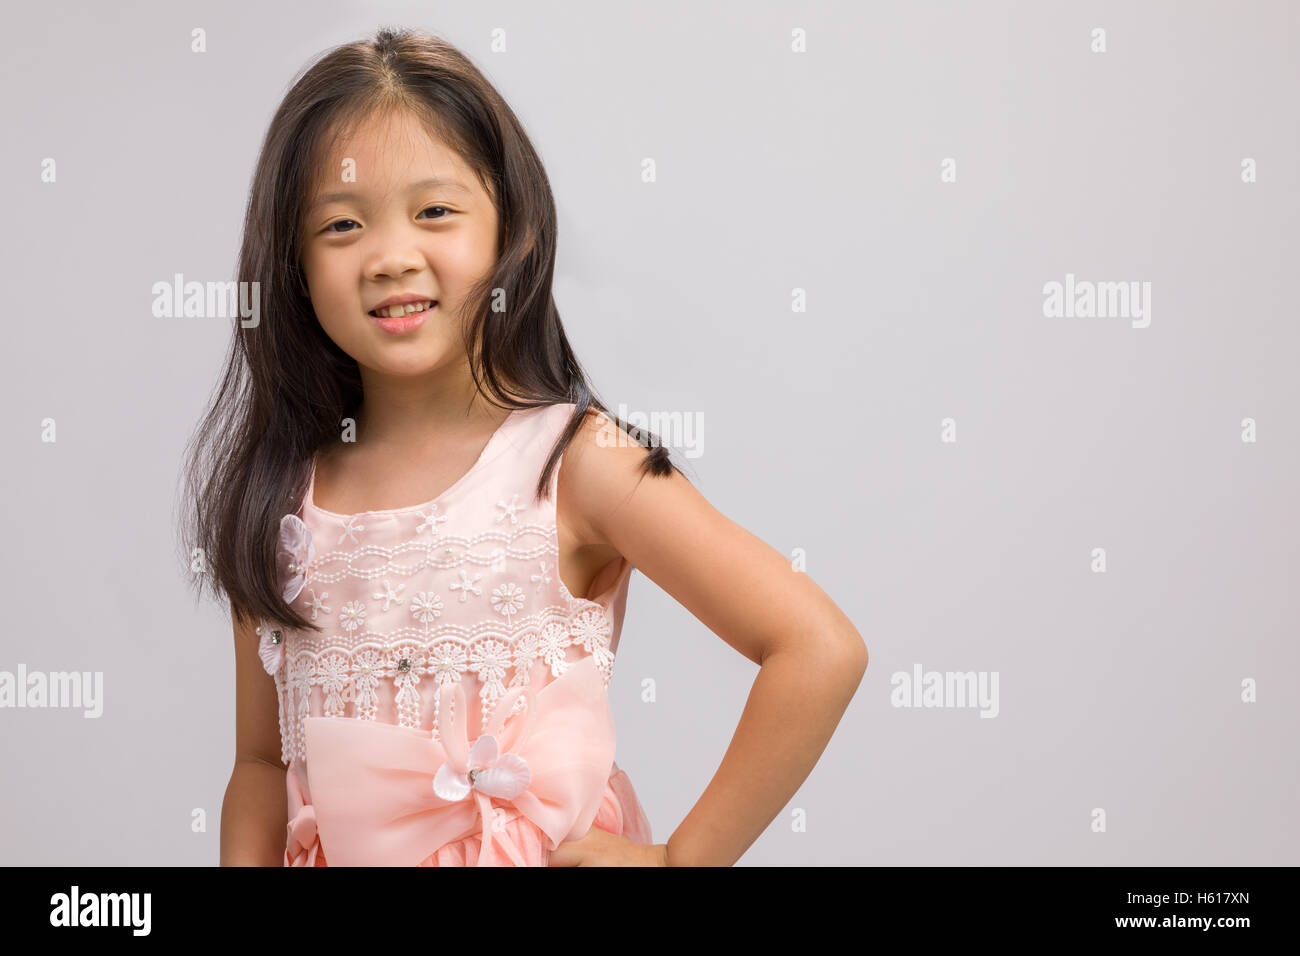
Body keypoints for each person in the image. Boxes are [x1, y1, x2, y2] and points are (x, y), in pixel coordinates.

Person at [181, 26, 867, 867]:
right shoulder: (282, 496)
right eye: (342, 225)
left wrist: (684, 858)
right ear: (291, 263)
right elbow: (260, 761)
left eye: (435, 211)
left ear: (516, 231)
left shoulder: (577, 463)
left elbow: (817, 648)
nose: (392, 257)